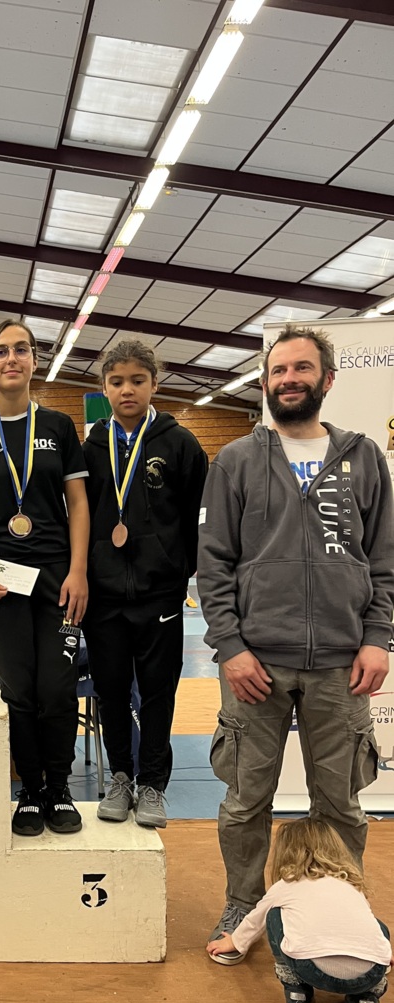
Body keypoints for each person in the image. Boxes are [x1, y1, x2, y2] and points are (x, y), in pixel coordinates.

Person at [198, 324, 394, 961]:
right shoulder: (237, 461)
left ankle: (342, 903)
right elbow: (214, 564)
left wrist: (378, 637)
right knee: (245, 800)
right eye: (278, 370)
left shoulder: (364, 458)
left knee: (340, 803)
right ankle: (241, 900)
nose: (288, 379)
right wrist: (231, 647)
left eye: (301, 368)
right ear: (264, 383)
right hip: (256, 662)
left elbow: (383, 559)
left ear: (326, 379)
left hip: (342, 663)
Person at [0, 320, 89, 836]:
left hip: (57, 576)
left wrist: (78, 571)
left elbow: (78, 504)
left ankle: (59, 787)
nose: (12, 359)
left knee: (57, 686)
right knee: (19, 690)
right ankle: (29, 790)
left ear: (34, 360)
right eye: (1, 352)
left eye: (21, 350)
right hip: (0, 579)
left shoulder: (58, 426)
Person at [81, 340, 208, 829]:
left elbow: (197, 516)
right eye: (116, 382)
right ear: (104, 388)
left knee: (158, 692)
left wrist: (178, 570)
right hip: (103, 595)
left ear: (155, 383)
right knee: (111, 691)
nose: (127, 390)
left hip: (160, 593)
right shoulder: (91, 448)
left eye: (137, 380)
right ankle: (120, 777)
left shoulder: (180, 444)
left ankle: (153, 784)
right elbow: (80, 516)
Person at [207, 818, 392, 1003]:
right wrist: (381, 954)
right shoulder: (352, 886)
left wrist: (234, 942)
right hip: (371, 972)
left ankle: (296, 988)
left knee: (274, 915)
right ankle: (365, 998)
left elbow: (255, 920)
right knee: (377, 924)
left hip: (311, 970)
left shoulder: (286, 885)